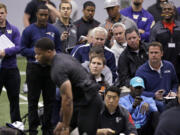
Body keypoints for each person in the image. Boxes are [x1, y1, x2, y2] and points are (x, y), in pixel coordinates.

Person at [34, 37, 103, 135]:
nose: (36, 57)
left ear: (49, 52)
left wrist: (65, 125)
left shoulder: (57, 69)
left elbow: (67, 99)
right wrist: (62, 121)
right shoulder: (63, 57)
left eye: (39, 54)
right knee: (59, 132)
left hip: (90, 103)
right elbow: (66, 99)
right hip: (79, 101)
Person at [20, 4, 61, 135]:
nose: (44, 17)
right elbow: (22, 49)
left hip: (50, 69)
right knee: (33, 101)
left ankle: (47, 129)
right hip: (34, 69)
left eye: (46, 15)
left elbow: (59, 49)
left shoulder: (54, 30)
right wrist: (37, 53)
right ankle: (32, 130)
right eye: (41, 15)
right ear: (36, 15)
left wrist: (50, 56)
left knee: (50, 100)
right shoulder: (28, 30)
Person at [135, 41, 178, 112]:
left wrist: (174, 91)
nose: (153, 55)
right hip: (152, 101)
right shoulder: (141, 71)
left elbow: (175, 83)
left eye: (156, 52)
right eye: (151, 53)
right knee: (161, 106)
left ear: (162, 54)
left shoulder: (169, 66)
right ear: (148, 54)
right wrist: (154, 95)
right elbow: (138, 92)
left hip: (170, 98)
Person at [0, 3, 21, 123]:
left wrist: (5, 51)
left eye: (2, 13)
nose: (0, 15)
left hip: (12, 70)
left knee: (14, 101)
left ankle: (16, 126)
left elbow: (19, 47)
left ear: (6, 13)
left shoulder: (14, 29)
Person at [150, 1, 180, 82]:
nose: (167, 11)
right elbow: (151, 48)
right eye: (164, 9)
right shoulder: (156, 29)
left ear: (174, 11)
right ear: (162, 12)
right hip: (162, 66)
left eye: (169, 9)